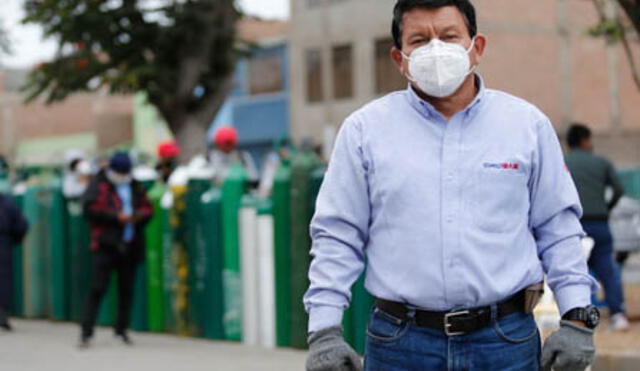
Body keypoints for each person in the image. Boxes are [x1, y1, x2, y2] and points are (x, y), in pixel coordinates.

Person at [304, 1, 599, 370]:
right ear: (400, 58)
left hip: (505, 341)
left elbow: (558, 228)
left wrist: (577, 318)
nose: (436, 50)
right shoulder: (365, 132)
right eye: (420, 40)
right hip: (400, 344)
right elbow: (337, 235)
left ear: (476, 48)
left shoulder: (526, 127)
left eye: (448, 36)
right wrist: (324, 333)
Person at [80, 152, 153, 347]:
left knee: (126, 290)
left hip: (130, 244)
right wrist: (116, 217)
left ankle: (121, 330)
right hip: (105, 245)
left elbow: (148, 208)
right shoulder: (99, 184)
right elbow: (89, 209)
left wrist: (138, 216)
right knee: (97, 288)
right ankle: (86, 332)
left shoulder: (135, 185)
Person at [565, 123, 629, 332]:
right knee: (607, 270)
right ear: (585, 140)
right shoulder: (601, 162)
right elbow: (618, 189)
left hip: (572, 225)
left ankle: (575, 317)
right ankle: (618, 315)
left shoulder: (562, 162)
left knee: (571, 271)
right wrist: (606, 207)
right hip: (600, 223)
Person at [0, 192, 28, 331]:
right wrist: (14, 239)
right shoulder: (7, 203)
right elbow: (21, 224)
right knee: (4, 278)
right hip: (4, 243)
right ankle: (3, 315)